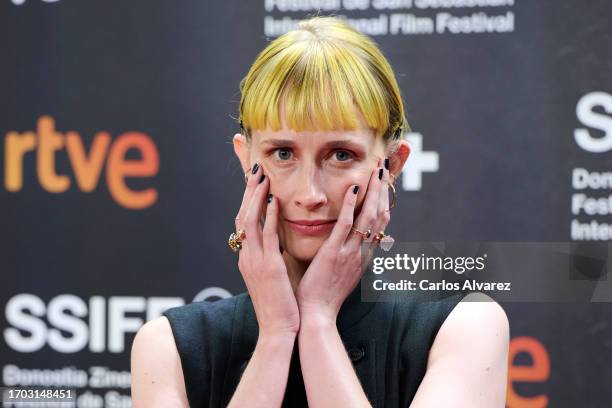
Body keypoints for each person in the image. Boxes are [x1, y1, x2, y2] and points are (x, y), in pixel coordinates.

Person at [130, 15, 509, 407]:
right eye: (282, 153)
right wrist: (276, 334)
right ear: (246, 160)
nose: (309, 194)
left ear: (392, 164)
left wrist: (318, 321)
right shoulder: (171, 347)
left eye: (341, 155)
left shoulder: (465, 327)